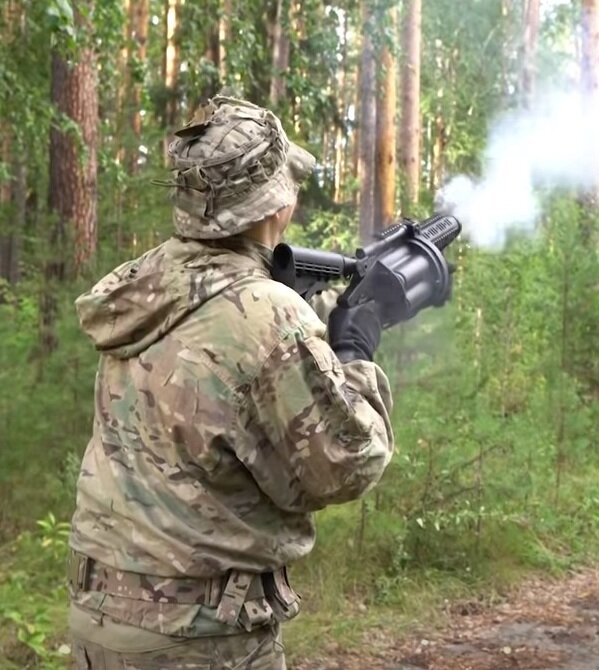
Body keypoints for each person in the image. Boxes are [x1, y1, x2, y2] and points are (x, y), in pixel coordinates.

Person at [67, 95, 394, 669]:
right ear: (272, 206)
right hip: (201, 639)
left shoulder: (147, 286)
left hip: (102, 619)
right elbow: (348, 462)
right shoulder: (265, 314)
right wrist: (355, 349)